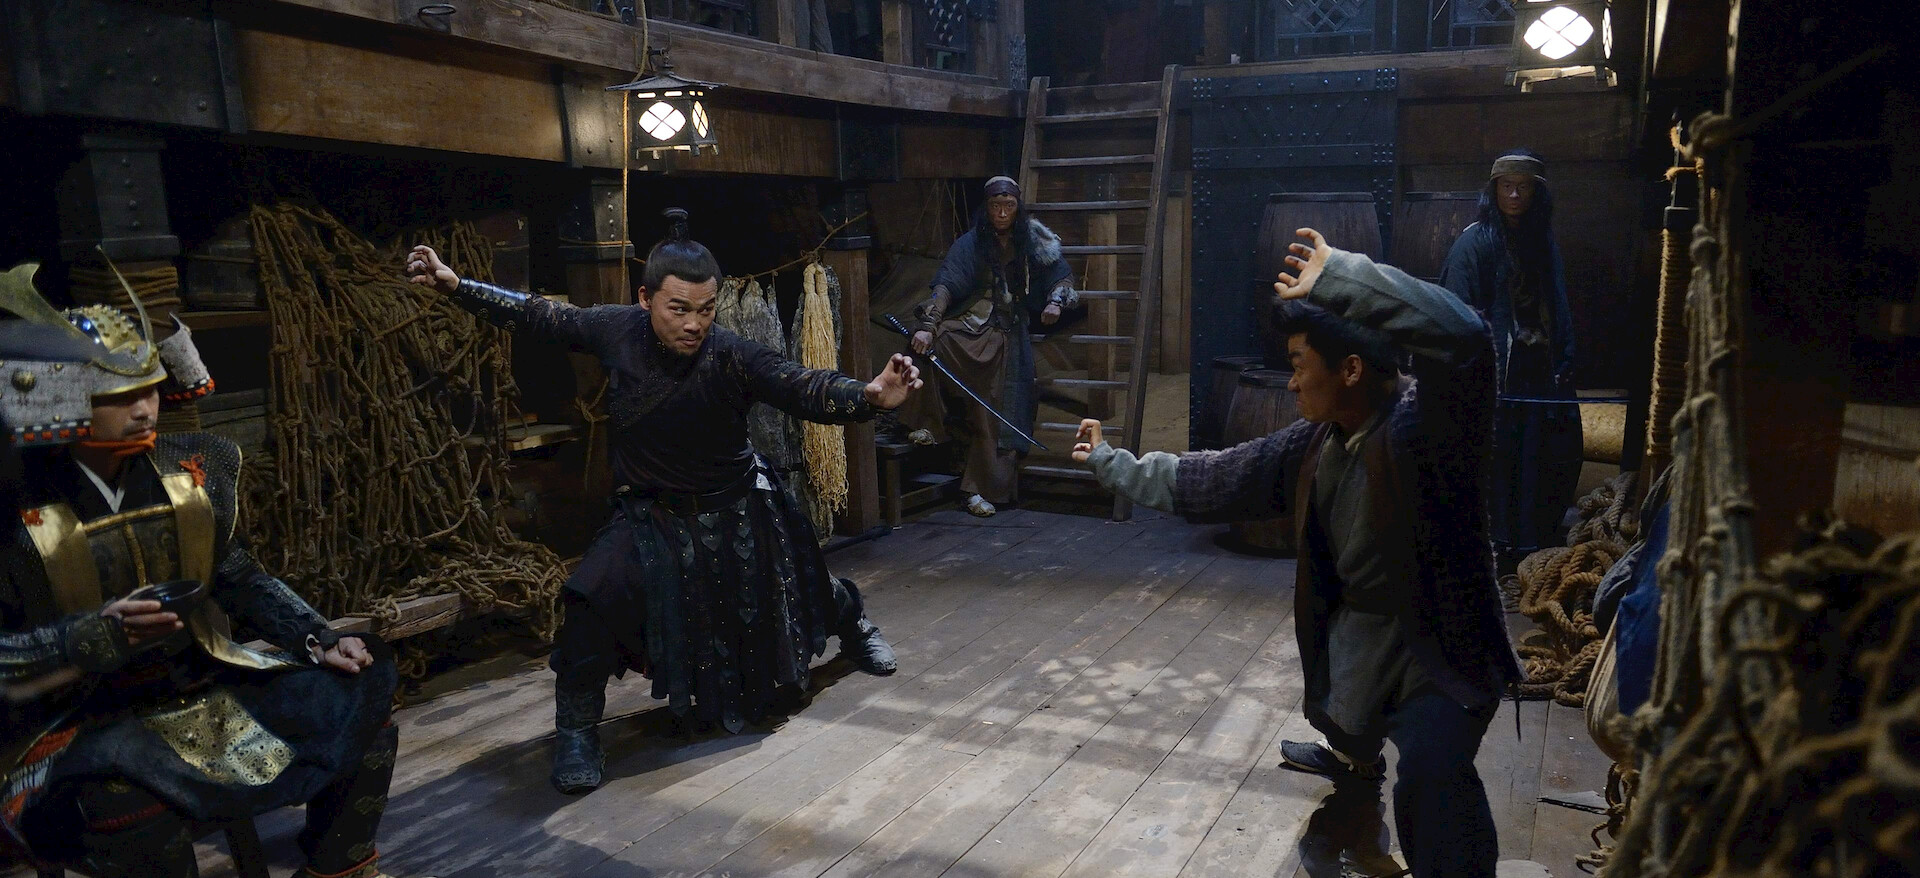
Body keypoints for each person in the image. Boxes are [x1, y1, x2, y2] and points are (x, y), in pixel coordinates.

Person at [406, 208, 921, 794]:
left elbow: (799, 383)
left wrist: (869, 395)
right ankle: (576, 730)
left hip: (739, 510)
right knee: (589, 601)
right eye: (679, 309)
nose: (694, 324)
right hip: (652, 516)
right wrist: (459, 286)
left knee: (807, 583)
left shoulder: (733, 353)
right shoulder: (615, 330)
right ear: (645, 298)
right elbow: (539, 315)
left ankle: (856, 626)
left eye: (706, 309)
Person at [1070, 229, 1521, 878]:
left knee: (1432, 775)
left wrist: (1342, 277)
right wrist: (1111, 463)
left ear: (1351, 370)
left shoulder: (1430, 427)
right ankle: (1355, 764)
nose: (1290, 383)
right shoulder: (1316, 443)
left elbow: (1468, 338)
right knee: (1346, 723)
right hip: (1365, 640)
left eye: (1300, 363)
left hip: (1441, 647)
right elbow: (1214, 478)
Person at [0, 263, 426, 878]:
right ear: (64, 400)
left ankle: (337, 867)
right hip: (73, 719)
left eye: (149, 390)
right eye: (118, 397)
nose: (143, 410)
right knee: (122, 798)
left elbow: (239, 577)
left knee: (363, 694)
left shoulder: (190, 474)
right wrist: (88, 636)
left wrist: (318, 636)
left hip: (197, 685)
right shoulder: (12, 508)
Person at [895, 176, 1077, 518]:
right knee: (930, 344)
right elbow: (946, 285)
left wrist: (1055, 301)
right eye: (996, 206)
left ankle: (981, 489)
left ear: (1017, 208)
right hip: (976, 327)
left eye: (1008, 206)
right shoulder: (972, 242)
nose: (1002, 213)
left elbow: (1061, 277)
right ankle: (926, 423)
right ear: (987, 208)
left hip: (1011, 340)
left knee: (1002, 414)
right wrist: (928, 327)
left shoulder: (1033, 240)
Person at [1440, 149, 1574, 395]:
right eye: (1507, 185)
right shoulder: (1473, 244)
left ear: (1536, 192)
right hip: (1496, 364)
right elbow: (1455, 310)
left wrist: (1564, 355)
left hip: (1538, 361)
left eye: (1523, 186)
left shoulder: (1542, 242)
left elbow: (1557, 303)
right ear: (1495, 190)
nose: (1514, 194)